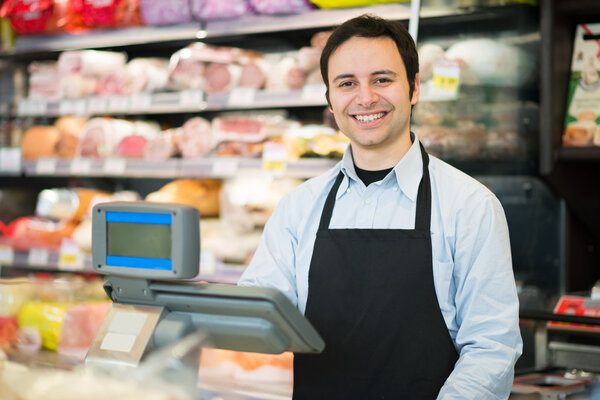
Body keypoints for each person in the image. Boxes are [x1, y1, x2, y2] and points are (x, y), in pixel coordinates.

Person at [239, 14, 522, 400]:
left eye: (382, 79)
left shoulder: (470, 206)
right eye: (346, 83)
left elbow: (492, 348)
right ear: (330, 100)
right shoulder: (299, 206)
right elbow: (259, 318)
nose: (365, 97)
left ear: (414, 88)